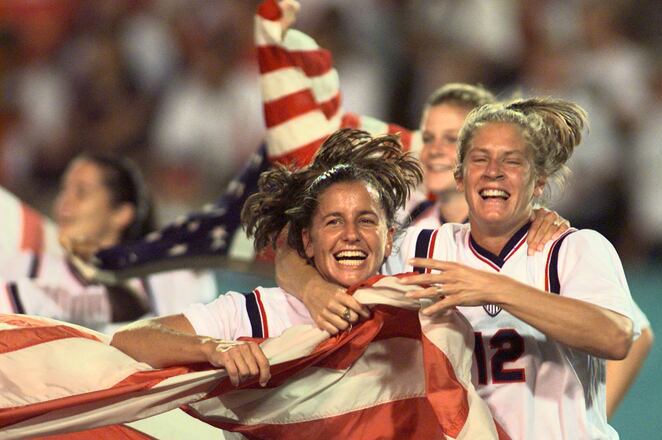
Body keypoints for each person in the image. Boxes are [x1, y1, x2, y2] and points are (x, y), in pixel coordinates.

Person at [279, 98, 638, 439]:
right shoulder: (421, 249)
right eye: (480, 160)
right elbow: (291, 250)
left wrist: (494, 288)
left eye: (511, 162)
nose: (494, 172)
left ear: (538, 183)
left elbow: (616, 336)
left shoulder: (571, 248)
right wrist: (314, 289)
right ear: (459, 177)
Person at [110, 128, 422, 388]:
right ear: (307, 242)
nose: (351, 234)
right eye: (334, 221)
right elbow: (129, 340)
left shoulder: (412, 306)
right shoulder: (255, 313)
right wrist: (212, 348)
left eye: (366, 220)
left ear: (389, 238)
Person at [0, 154, 216, 328]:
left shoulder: (167, 277)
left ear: (121, 214)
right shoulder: (26, 266)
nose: (64, 203)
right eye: (63, 190)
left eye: (81, 193)